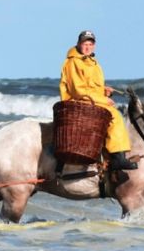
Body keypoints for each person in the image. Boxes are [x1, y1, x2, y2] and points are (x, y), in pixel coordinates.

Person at [59, 30, 137, 170]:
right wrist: (103, 100)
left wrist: (104, 91)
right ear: (78, 44)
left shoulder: (93, 63)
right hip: (78, 102)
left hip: (90, 99)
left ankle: (109, 152)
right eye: (85, 44)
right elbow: (78, 90)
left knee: (114, 111)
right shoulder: (73, 62)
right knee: (114, 116)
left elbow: (92, 87)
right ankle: (118, 157)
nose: (88, 47)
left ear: (94, 46)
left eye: (90, 44)